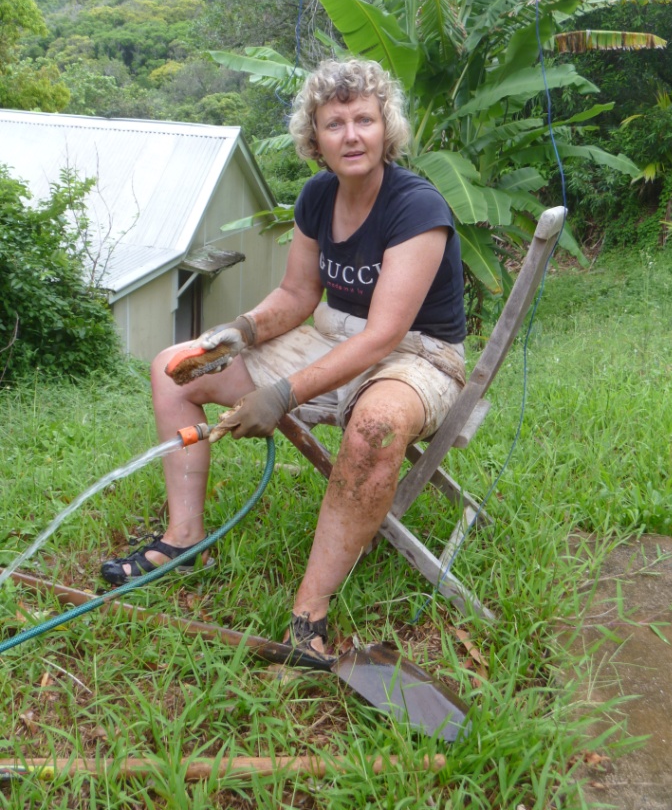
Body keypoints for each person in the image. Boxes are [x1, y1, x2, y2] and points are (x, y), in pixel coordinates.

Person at [101, 58, 467, 661]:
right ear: (314, 138)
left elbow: (381, 337)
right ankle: (185, 538)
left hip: (415, 353)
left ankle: (309, 612)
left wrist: (283, 393)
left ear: (386, 130)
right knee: (176, 363)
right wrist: (239, 332)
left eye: (364, 120)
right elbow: (298, 296)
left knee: (374, 427)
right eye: (334, 123)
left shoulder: (417, 208)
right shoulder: (319, 196)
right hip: (329, 334)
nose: (351, 135)